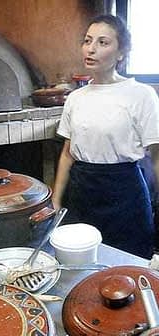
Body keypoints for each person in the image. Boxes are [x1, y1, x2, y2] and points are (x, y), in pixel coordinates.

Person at [52, 14, 159, 259]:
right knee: (83, 265)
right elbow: (68, 153)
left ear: (121, 53)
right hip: (82, 193)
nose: (91, 49)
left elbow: (156, 157)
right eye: (88, 41)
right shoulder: (76, 98)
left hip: (125, 192)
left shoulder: (141, 95)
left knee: (127, 265)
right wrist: (56, 201)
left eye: (103, 42)